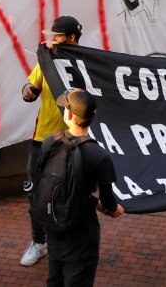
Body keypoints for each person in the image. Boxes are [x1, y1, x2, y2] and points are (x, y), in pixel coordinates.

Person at [36, 89, 123, 287]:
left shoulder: (50, 142)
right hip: (81, 237)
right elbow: (108, 201)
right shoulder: (99, 155)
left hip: (54, 228)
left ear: (69, 115)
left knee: (54, 280)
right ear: (93, 116)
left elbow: (40, 178)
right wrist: (113, 209)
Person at [19, 16, 84, 268]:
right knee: (36, 190)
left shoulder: (87, 63)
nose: (52, 40)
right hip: (42, 139)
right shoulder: (47, 59)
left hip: (75, 139)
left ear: (71, 38)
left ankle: (72, 243)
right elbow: (30, 90)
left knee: (74, 191)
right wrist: (27, 91)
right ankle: (39, 242)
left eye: (58, 36)